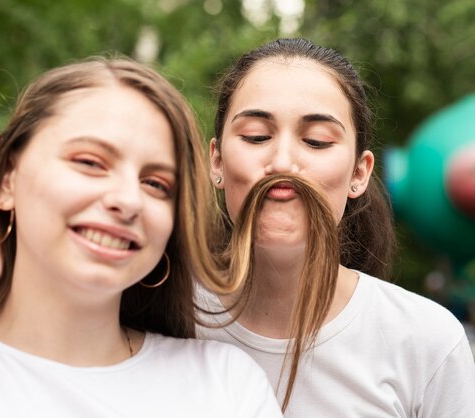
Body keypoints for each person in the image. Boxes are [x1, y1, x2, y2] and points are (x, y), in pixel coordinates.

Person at [0, 57, 283, 418]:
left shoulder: (224, 387)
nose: (127, 200)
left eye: (156, 184)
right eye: (91, 162)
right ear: (8, 175)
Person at [197, 38, 475, 417]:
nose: (282, 161)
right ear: (217, 161)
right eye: (256, 136)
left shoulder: (428, 343)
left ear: (359, 174)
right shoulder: (162, 317)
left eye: (316, 141)